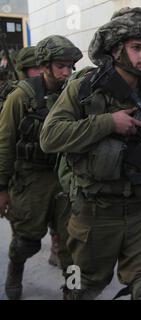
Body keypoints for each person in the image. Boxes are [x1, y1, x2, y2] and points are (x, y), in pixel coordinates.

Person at [40, 7, 141, 300]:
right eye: (136, 47)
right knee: (79, 286)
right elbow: (49, 138)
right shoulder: (83, 88)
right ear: (115, 50)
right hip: (93, 214)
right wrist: (108, 122)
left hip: (140, 210)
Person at [0, 35, 83, 300]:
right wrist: (2, 188)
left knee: (74, 244)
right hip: (31, 179)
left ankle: (73, 288)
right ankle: (15, 269)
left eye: (71, 66)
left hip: (66, 177)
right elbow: (5, 144)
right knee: (27, 240)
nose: (67, 72)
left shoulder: (75, 93)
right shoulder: (21, 97)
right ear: (45, 65)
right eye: (61, 66)